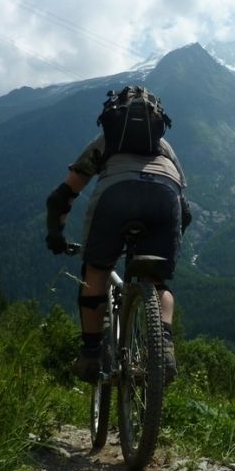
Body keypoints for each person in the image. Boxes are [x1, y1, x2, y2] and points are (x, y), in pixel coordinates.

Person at [45, 98, 191, 385]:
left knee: (96, 272)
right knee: (159, 284)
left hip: (115, 198)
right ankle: (163, 349)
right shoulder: (166, 149)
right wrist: (169, 244)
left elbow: (62, 196)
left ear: (113, 117)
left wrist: (56, 236)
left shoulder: (106, 140)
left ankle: (90, 355)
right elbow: (183, 209)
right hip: (165, 199)